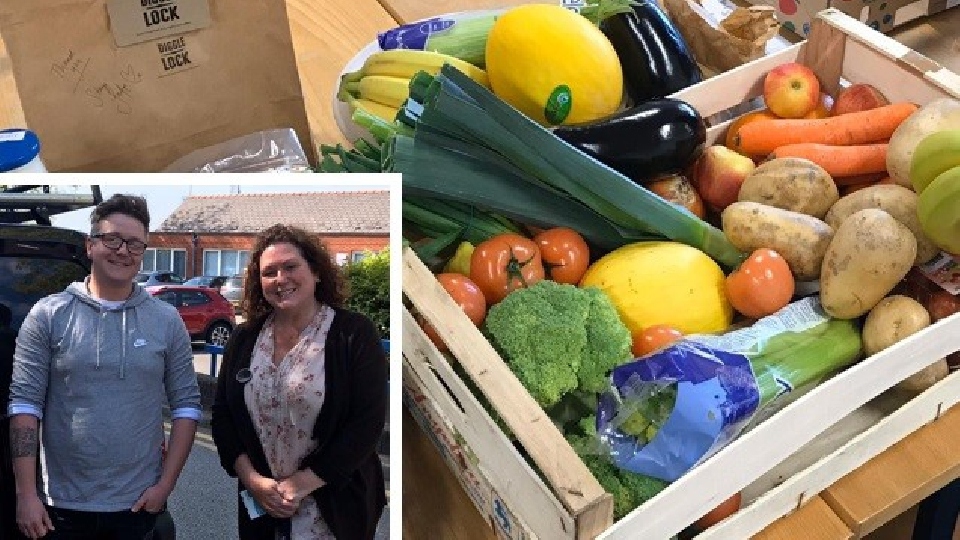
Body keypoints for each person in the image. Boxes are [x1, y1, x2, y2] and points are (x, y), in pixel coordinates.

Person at [7, 194, 201, 540]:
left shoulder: (166, 320)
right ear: (90, 245)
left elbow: (186, 406)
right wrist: (26, 495)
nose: (122, 250)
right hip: (61, 507)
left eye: (134, 244)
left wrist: (165, 486)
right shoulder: (48, 314)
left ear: (143, 252)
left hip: (138, 504)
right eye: (111, 239)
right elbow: (24, 405)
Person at [211, 224, 387, 540]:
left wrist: (300, 485)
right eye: (269, 272)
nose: (281, 279)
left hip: (334, 505)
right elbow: (224, 415)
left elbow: (367, 422)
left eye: (291, 267)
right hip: (263, 503)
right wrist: (253, 481)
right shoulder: (244, 338)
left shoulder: (353, 334)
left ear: (316, 272)